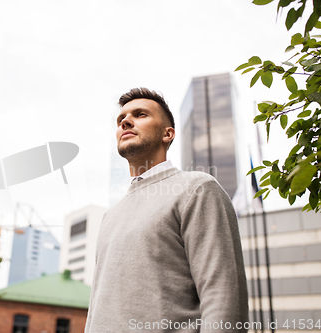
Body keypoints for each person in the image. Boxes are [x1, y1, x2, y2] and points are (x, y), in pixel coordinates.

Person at [84, 88, 248, 332]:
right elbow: (97, 305)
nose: (126, 121)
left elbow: (222, 293)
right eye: (121, 120)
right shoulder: (110, 216)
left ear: (167, 133)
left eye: (140, 114)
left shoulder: (197, 189)